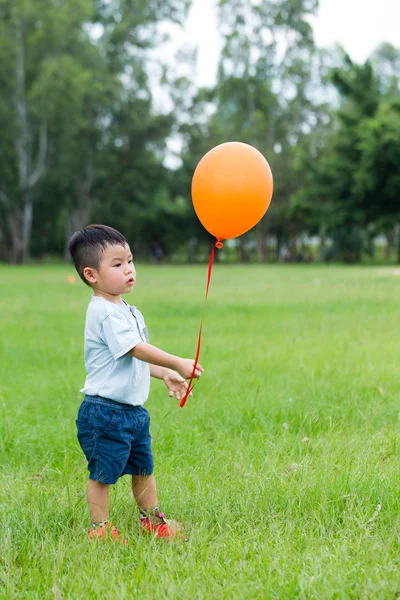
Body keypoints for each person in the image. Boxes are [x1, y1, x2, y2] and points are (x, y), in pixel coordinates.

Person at [68, 224, 203, 542]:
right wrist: (176, 361)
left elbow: (134, 359)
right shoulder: (103, 313)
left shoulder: (127, 310)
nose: (128, 269)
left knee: (144, 468)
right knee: (103, 474)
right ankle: (100, 530)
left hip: (132, 412)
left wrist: (163, 373)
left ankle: (153, 522)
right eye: (117, 264)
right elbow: (134, 348)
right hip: (105, 412)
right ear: (91, 275)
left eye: (129, 260)